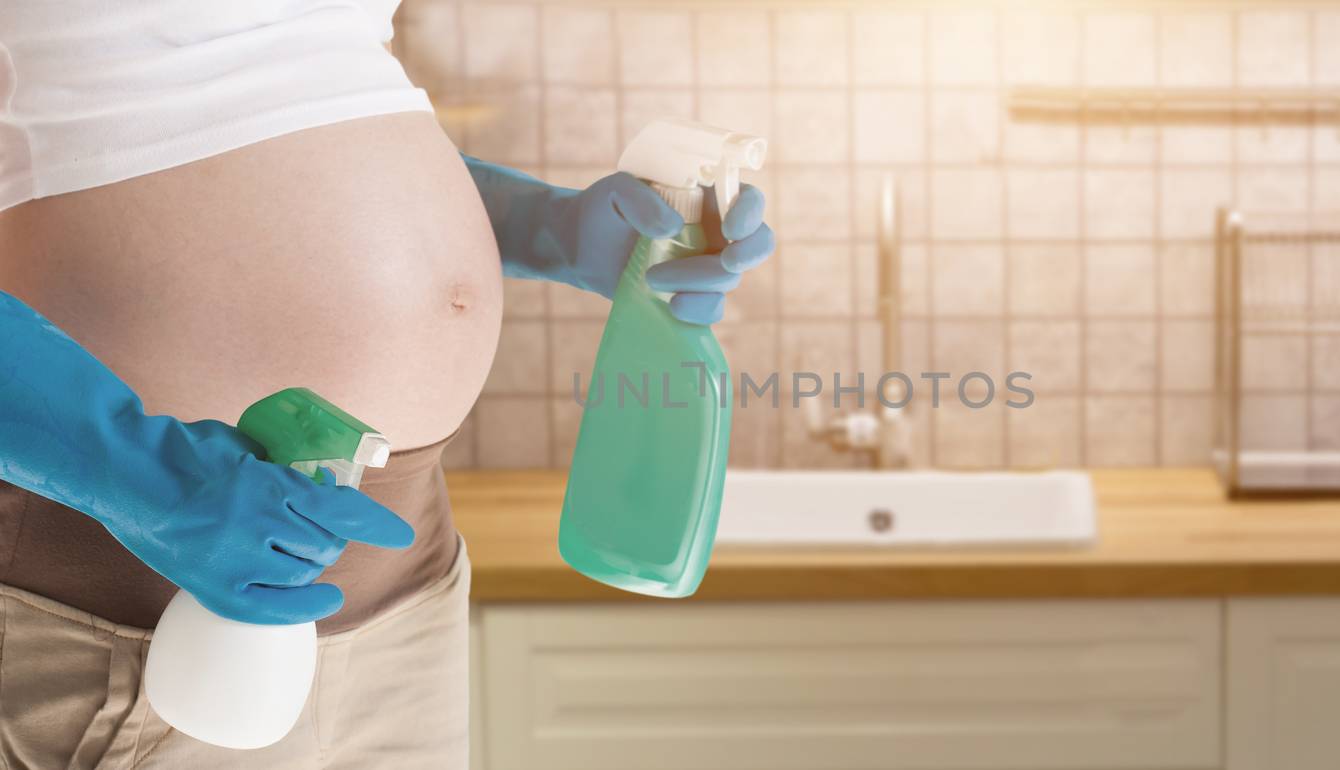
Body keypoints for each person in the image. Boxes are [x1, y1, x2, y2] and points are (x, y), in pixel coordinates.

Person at [0, 2, 774, 767]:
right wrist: (135, 470)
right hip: (155, 621)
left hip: (409, 604)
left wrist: (548, 228)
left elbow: (293, 123)